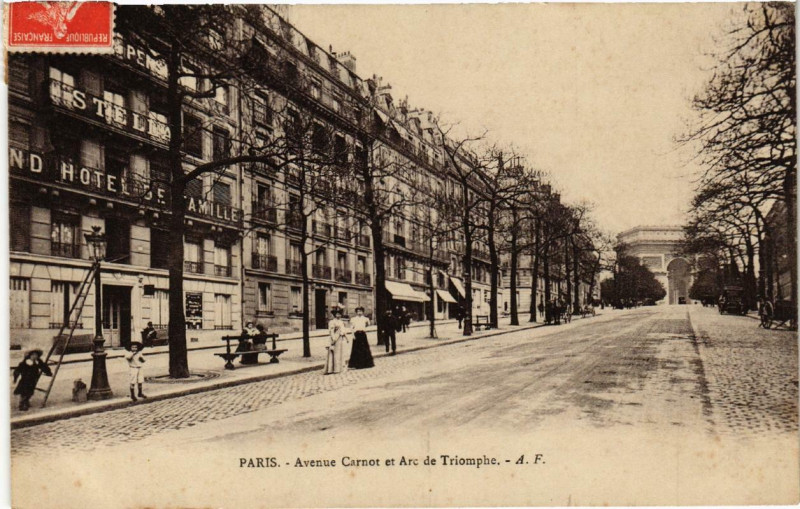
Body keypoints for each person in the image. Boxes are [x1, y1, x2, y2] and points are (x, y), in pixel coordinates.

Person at [325, 309, 349, 374]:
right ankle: (332, 369)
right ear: (334, 315)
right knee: (334, 353)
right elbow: (331, 331)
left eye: (340, 314)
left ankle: (339, 368)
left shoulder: (341, 322)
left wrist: (346, 338)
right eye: (337, 314)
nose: (339, 315)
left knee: (340, 353)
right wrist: (333, 339)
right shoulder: (332, 322)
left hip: (340, 338)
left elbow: (343, 330)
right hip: (335, 339)